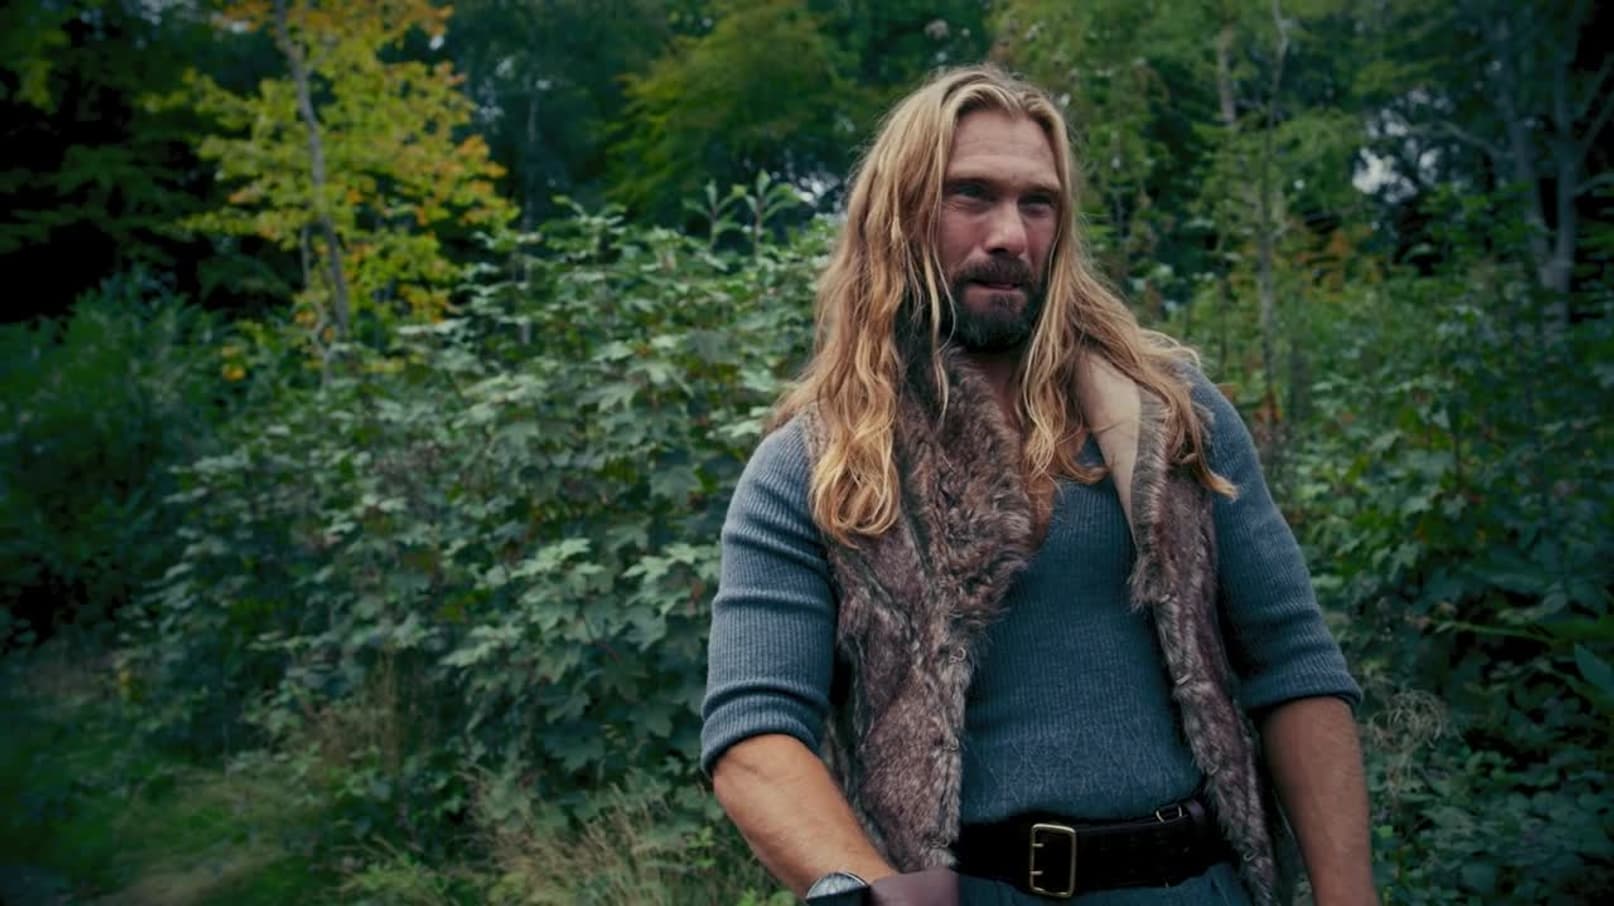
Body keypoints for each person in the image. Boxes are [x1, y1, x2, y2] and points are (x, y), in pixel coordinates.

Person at [700, 64, 1376, 906]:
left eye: (1038, 203)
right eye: (971, 195)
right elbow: (755, 736)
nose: (1010, 235)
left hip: (1192, 883)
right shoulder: (817, 465)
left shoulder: (1171, 417)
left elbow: (1294, 666)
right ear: (897, 214)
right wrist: (887, 898)